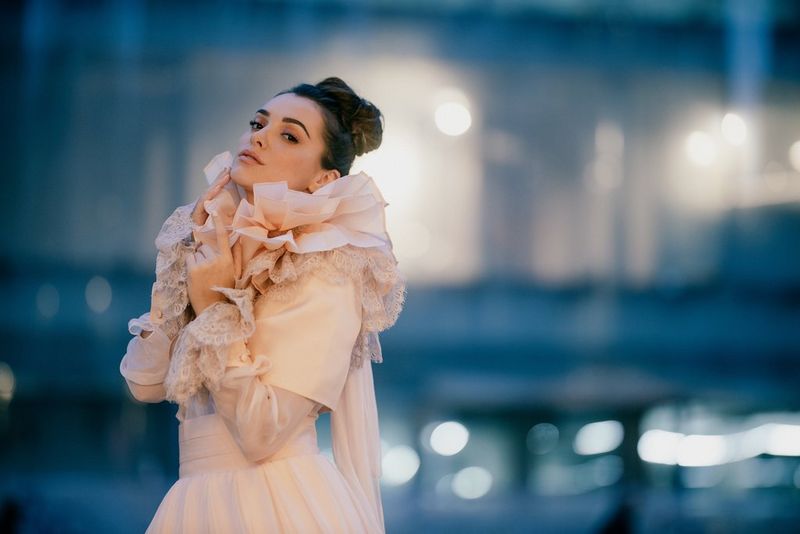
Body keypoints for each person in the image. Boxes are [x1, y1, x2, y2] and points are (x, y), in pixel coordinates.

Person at [119, 77, 405, 533]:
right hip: (194, 498)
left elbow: (261, 433)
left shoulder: (327, 267)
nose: (259, 137)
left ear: (324, 178)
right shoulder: (218, 246)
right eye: (258, 123)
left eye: (289, 135)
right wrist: (177, 268)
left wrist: (214, 307)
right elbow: (145, 382)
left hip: (274, 502)